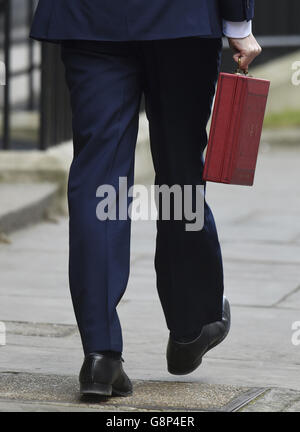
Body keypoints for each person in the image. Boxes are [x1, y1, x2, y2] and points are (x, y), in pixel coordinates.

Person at [30, 0, 261, 397]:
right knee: (179, 174)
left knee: (100, 179)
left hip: (90, 18)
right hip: (181, 19)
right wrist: (238, 19)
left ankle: (100, 354)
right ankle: (192, 324)